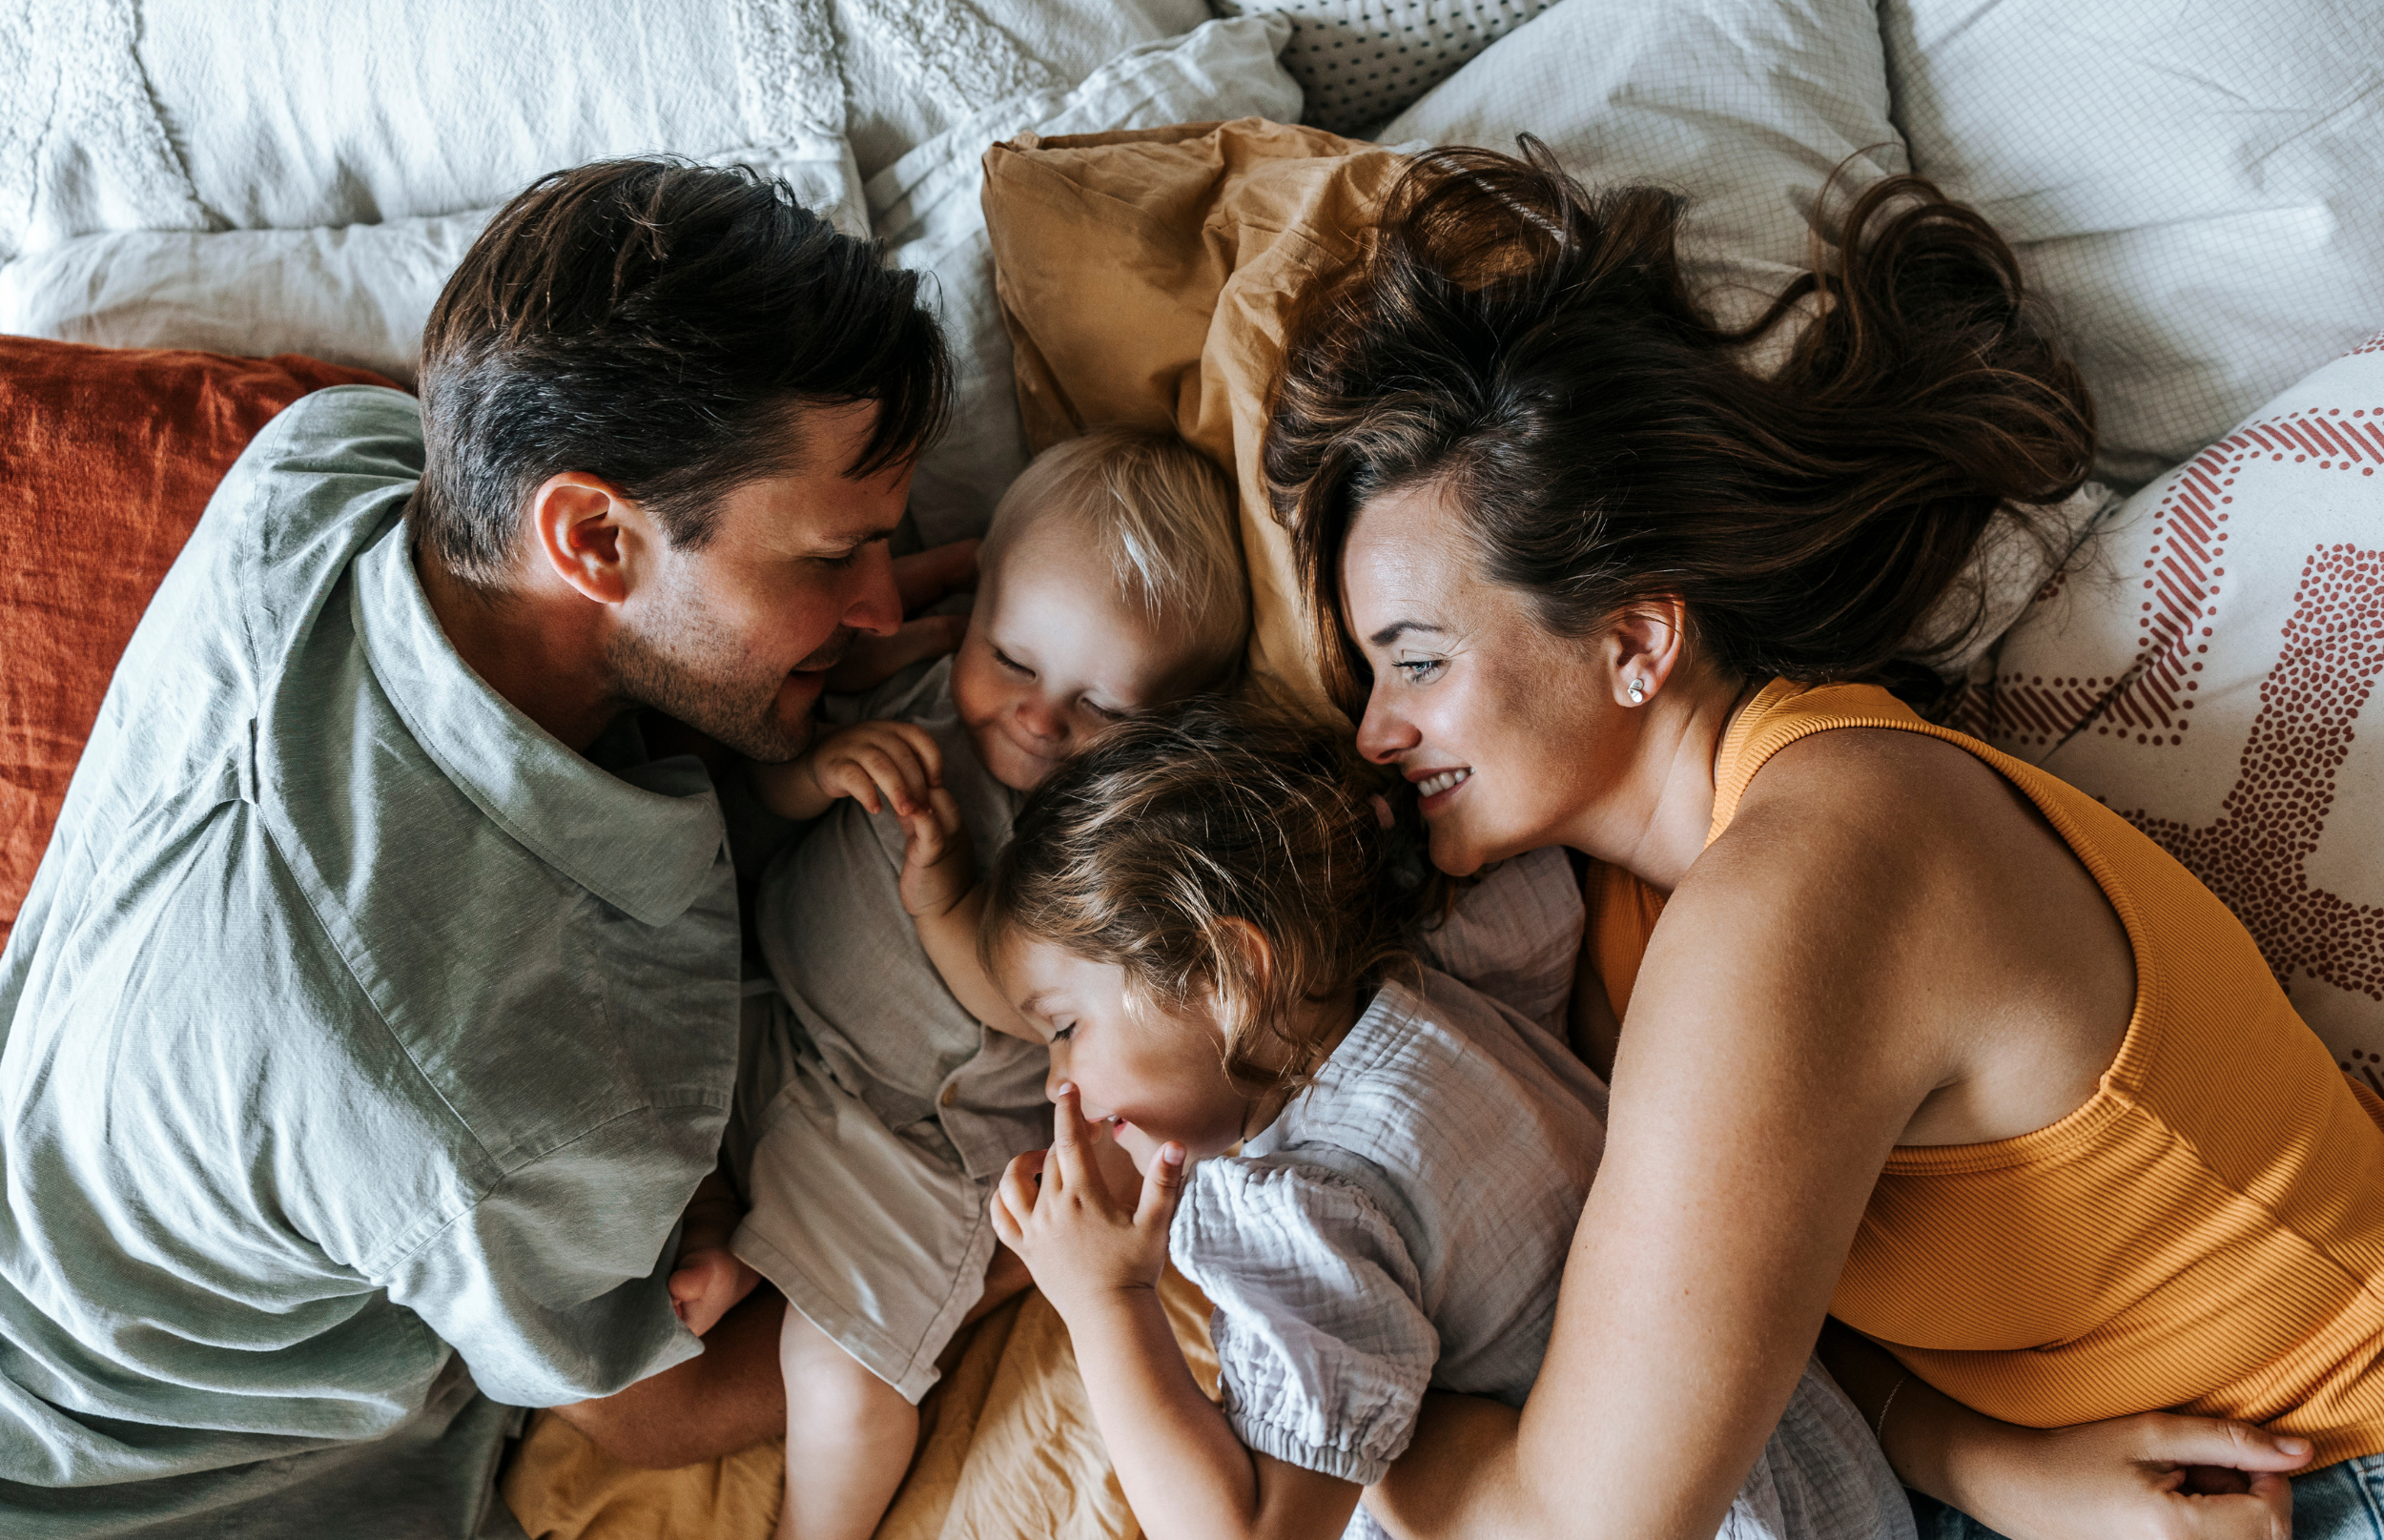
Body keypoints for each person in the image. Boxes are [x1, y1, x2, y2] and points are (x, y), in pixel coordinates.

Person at [1263, 138, 2375, 1540]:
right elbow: (1751, 1321)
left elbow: (1575, 1525)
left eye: (1416, 661)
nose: (1375, 730)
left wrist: (1294, 1413)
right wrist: (1981, 1460)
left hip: (2328, 1463)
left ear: (1633, 641)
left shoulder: (1815, 868)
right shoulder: (1630, 909)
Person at [0, 157, 972, 1536]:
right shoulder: (490, 1093)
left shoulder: (329, 462)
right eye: (832, 555)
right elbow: (651, 1410)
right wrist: (1037, 1246)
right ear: (590, 533)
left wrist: (788, 667)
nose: (880, 599)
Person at [980, 699, 1914, 1540]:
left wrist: (1105, 1301)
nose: (1057, 1083)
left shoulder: (1292, 1210)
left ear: (1229, 977)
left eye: (1064, 1028)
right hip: (1814, 1480)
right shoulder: (1437, 976)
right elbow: (1538, 898)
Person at [729, 426, 1249, 1540]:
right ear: (974, 603)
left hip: (919, 1140)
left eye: (1103, 707)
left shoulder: (1119, 849)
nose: (1039, 715)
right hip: (769, 1017)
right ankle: (731, 1239)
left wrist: (947, 897)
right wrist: (807, 771)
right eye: (1012, 660)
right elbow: (734, 802)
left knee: (842, 1370)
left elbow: (1036, 1009)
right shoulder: (908, 680)